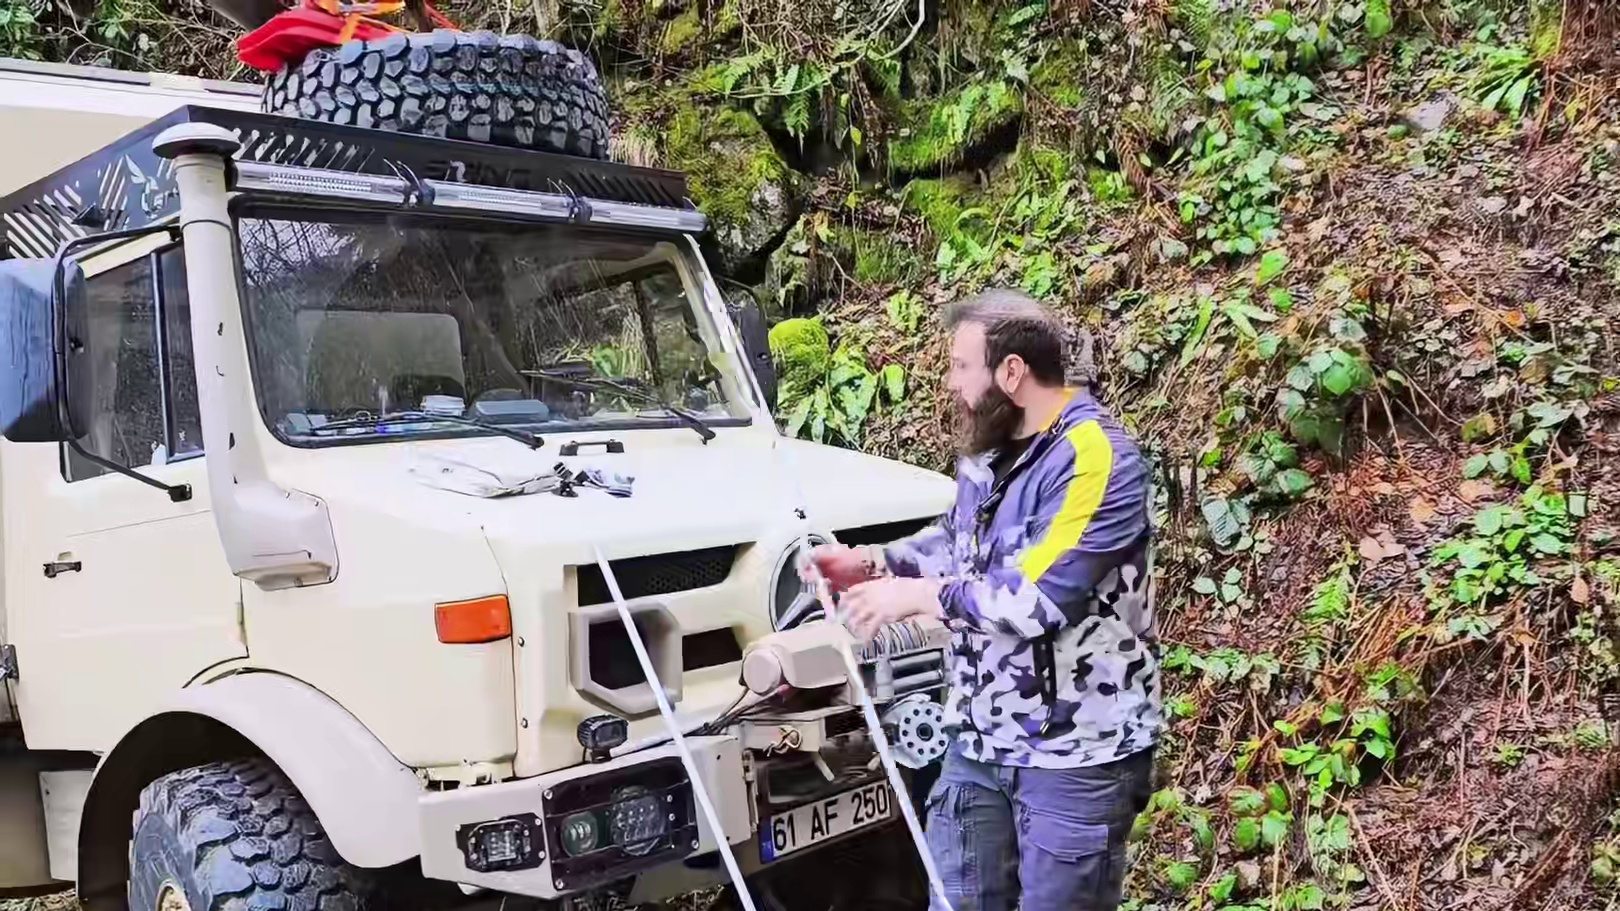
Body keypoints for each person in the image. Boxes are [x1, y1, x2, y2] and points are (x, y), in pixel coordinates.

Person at [807, 288, 1161, 911]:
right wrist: (871, 562)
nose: (951, 383)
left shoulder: (1096, 459)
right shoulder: (994, 451)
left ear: (1012, 372)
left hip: (1074, 756)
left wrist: (918, 595)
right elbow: (958, 540)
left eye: (962, 366)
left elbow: (1038, 600)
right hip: (979, 742)